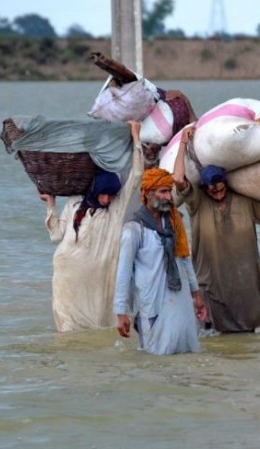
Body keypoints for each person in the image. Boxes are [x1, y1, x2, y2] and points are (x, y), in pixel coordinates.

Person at [172, 125, 260, 333]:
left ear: (226, 184)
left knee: (245, 333)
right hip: (210, 281)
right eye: (212, 189)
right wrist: (183, 142)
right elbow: (178, 179)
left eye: (220, 188)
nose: (217, 192)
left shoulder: (245, 201)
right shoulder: (197, 202)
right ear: (204, 188)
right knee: (209, 333)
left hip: (243, 281)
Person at [38, 121, 144, 332]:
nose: (107, 199)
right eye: (105, 194)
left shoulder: (115, 209)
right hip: (67, 273)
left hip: (98, 276)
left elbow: (137, 175)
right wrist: (51, 204)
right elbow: (56, 235)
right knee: (68, 326)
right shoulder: (75, 203)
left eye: (112, 195)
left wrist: (135, 137)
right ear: (95, 190)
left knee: (99, 322)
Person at [113, 167, 208, 355]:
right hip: (151, 304)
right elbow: (123, 273)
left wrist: (197, 294)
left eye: (169, 192)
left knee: (184, 352)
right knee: (155, 358)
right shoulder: (134, 229)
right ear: (148, 194)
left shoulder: (174, 222)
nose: (168, 197)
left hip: (179, 300)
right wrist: (120, 312)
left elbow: (185, 259)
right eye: (163, 192)